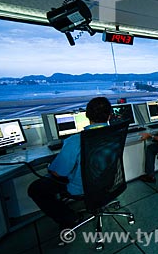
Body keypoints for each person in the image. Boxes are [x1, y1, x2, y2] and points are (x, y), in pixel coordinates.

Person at [28, 97, 112, 229]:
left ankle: (69, 218)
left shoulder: (75, 140)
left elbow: (57, 172)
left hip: (82, 188)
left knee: (36, 188)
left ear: (86, 115)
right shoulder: (114, 133)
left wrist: (50, 167)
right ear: (110, 115)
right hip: (107, 181)